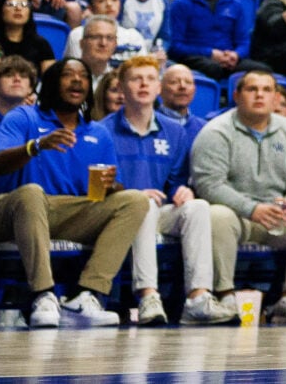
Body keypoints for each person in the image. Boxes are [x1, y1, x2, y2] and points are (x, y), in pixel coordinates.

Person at [0, 57, 154, 327]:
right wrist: (35, 146)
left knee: (134, 200)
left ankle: (88, 296)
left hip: (66, 213)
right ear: (51, 83)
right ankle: (43, 295)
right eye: (68, 75)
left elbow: (112, 186)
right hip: (9, 212)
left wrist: (113, 186)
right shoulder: (24, 116)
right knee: (31, 193)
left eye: (84, 76)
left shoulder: (98, 132)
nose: (77, 80)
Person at [94, 52, 234, 325]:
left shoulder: (174, 131)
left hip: (159, 212)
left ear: (158, 88)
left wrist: (184, 191)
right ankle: (148, 296)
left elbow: (176, 180)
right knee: (141, 204)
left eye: (150, 79)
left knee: (198, 207)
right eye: (136, 79)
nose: (144, 85)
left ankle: (198, 298)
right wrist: (131, 195)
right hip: (115, 215)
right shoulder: (102, 130)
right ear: (122, 89)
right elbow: (98, 188)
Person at [190, 67, 286, 323]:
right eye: (252, 89)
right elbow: (209, 185)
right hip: (237, 217)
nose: (260, 95)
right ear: (236, 95)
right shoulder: (215, 132)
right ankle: (225, 295)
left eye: (267, 90)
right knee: (215, 215)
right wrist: (251, 208)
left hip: (277, 217)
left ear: (276, 97)